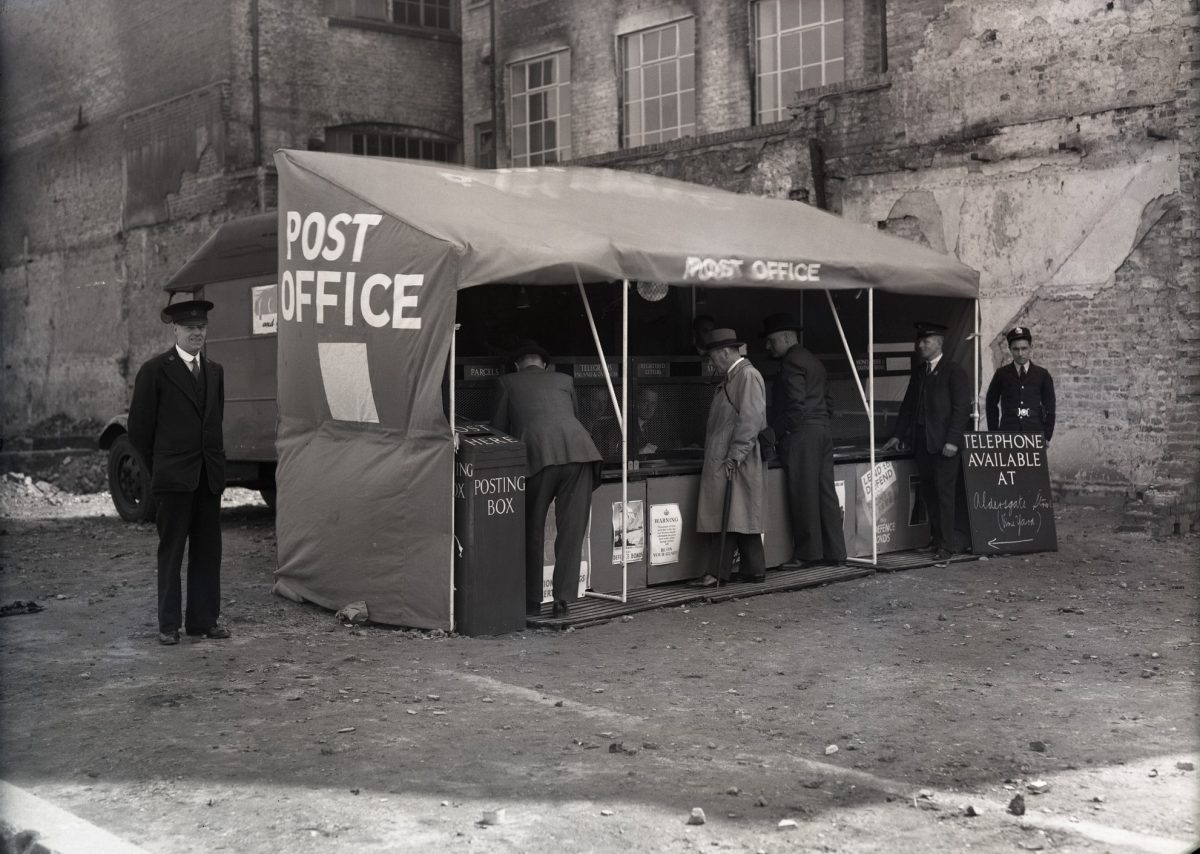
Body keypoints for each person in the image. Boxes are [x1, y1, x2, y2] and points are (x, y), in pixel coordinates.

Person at [128, 299, 229, 645]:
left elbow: (216, 421)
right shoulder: (155, 371)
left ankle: (204, 621)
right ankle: (168, 626)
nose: (197, 333)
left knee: (208, 551)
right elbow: (139, 432)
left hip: (207, 478)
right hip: (173, 480)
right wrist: (161, 468)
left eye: (202, 327)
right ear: (175, 330)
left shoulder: (215, 372)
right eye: (190, 328)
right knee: (171, 552)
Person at [491, 340, 602, 617]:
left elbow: (499, 432)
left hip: (538, 457)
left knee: (533, 528)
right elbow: (571, 417)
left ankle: (531, 601)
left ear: (518, 365)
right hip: (580, 453)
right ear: (545, 364)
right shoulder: (564, 379)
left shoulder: (506, 382)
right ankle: (563, 600)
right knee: (572, 530)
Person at [880, 322, 971, 561]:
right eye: (919, 341)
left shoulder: (954, 371)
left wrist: (952, 440)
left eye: (926, 341)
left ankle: (947, 545)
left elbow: (962, 409)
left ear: (939, 343)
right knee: (929, 494)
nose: (920, 345)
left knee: (944, 495)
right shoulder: (920, 372)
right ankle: (935, 540)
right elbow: (908, 407)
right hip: (922, 445)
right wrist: (898, 435)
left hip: (944, 446)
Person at [763, 313, 846, 568]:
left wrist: (774, 433)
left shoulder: (791, 362)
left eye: (771, 341)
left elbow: (795, 407)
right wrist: (818, 422)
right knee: (825, 493)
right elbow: (829, 403)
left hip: (802, 435)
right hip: (822, 431)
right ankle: (835, 552)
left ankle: (807, 554)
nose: (768, 346)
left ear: (787, 338)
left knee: (803, 494)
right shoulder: (813, 361)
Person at [689, 328, 768, 587]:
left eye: (713, 357)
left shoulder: (746, 376)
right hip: (733, 455)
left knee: (727, 515)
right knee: (738, 515)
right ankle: (753, 570)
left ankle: (717, 572)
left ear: (725, 352)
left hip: (734, 457)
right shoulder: (736, 376)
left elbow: (751, 419)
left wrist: (735, 456)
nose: (711, 363)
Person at [986, 326, 1056, 441]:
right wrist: (994, 433)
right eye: (1015, 349)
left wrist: (1046, 435)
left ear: (1030, 348)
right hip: (1008, 432)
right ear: (1010, 349)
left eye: (1024, 348)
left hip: (1034, 433)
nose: (1020, 353)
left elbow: (1050, 407)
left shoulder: (1042, 374)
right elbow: (991, 404)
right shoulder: (1001, 374)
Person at [634, 387, 674, 456]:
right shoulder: (626, 425)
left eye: (653, 403)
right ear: (637, 403)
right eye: (645, 402)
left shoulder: (659, 426)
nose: (649, 408)